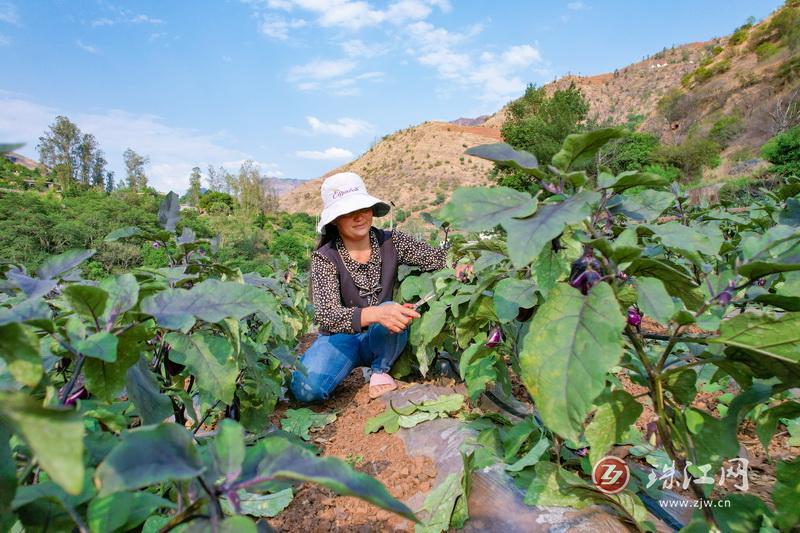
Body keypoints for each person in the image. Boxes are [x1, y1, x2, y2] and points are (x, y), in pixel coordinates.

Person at [290, 171, 448, 402]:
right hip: (340, 339)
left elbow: (437, 259)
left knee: (393, 310)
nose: (358, 217)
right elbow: (326, 314)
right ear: (335, 219)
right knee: (306, 390)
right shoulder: (326, 257)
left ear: (371, 210)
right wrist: (375, 313)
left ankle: (380, 369)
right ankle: (351, 363)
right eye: (348, 213)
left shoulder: (392, 241)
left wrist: (462, 264)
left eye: (362, 209)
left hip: (384, 336)